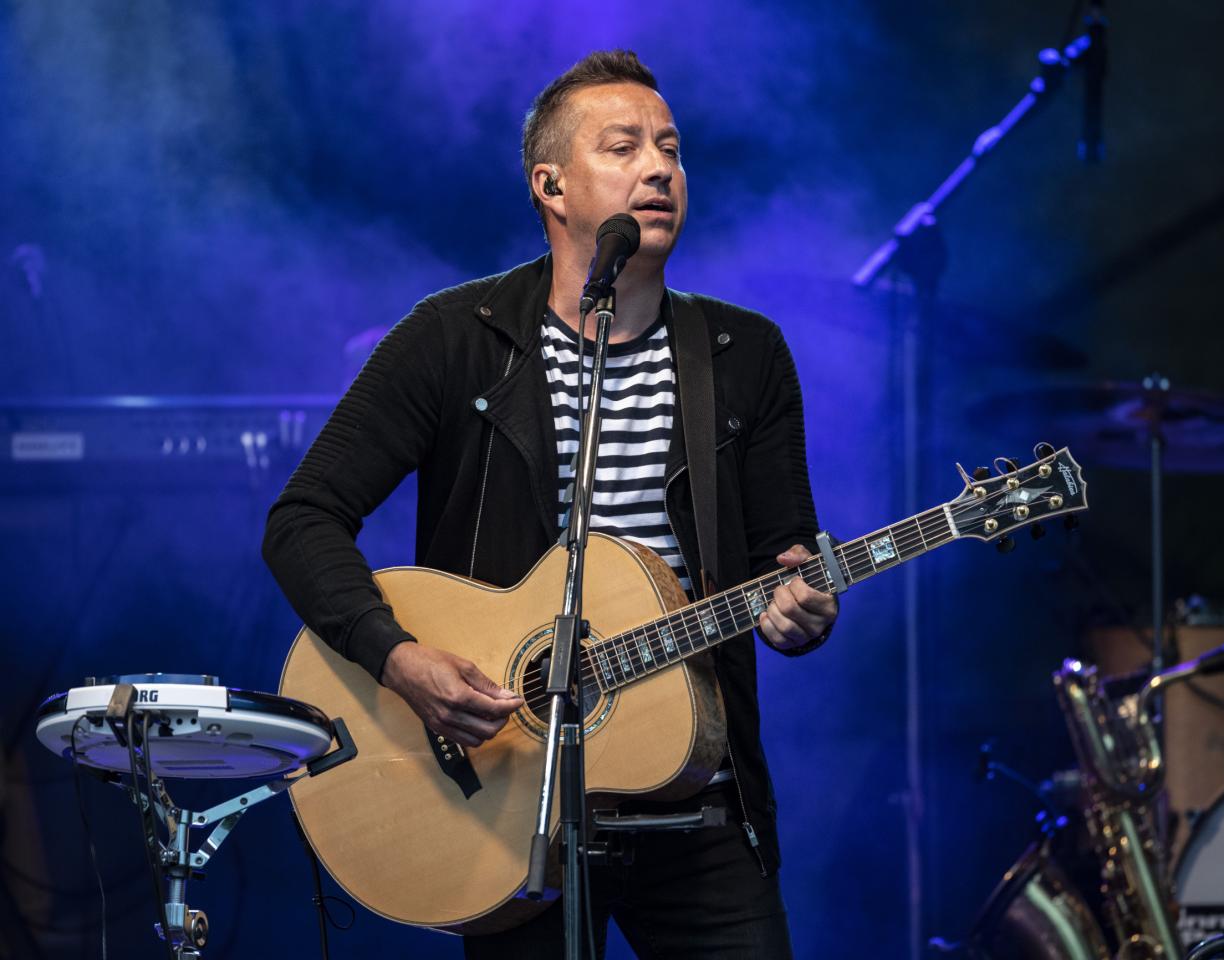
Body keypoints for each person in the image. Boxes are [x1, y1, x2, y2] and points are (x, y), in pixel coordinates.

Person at [262, 49, 838, 958]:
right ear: (551, 186)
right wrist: (399, 659)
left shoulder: (746, 354)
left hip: (696, 797)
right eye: (624, 147)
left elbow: (786, 561)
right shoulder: (454, 339)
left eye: (672, 148)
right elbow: (302, 520)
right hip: (504, 799)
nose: (660, 169)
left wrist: (802, 608)